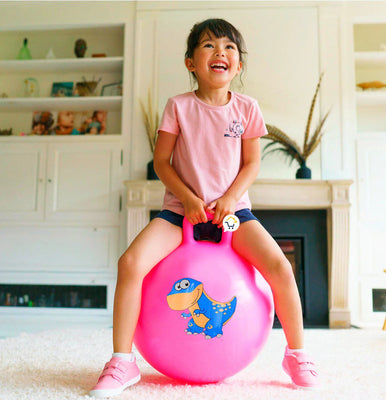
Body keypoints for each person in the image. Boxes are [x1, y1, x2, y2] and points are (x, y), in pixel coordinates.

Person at [89, 18, 319, 398]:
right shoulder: (178, 106)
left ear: (238, 66)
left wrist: (229, 199)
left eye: (229, 48)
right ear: (190, 62)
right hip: (180, 212)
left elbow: (252, 165)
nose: (220, 53)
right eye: (209, 46)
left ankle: (297, 354)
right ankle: (122, 360)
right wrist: (190, 200)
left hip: (234, 214)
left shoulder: (247, 108)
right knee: (130, 263)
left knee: (281, 267)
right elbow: (162, 162)